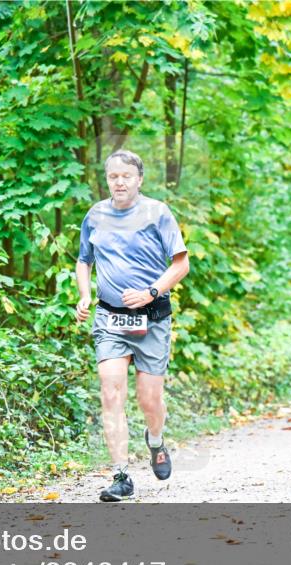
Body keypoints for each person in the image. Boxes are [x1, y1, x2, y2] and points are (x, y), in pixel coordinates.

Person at [75, 150, 190, 501]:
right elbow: (84, 261)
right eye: (113, 176)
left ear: (139, 179)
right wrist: (83, 295)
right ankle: (121, 475)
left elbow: (181, 264)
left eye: (126, 176)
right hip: (110, 318)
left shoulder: (158, 213)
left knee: (149, 399)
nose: (119, 182)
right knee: (111, 391)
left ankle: (155, 440)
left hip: (152, 317)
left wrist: (151, 291)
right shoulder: (95, 215)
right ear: (107, 179)